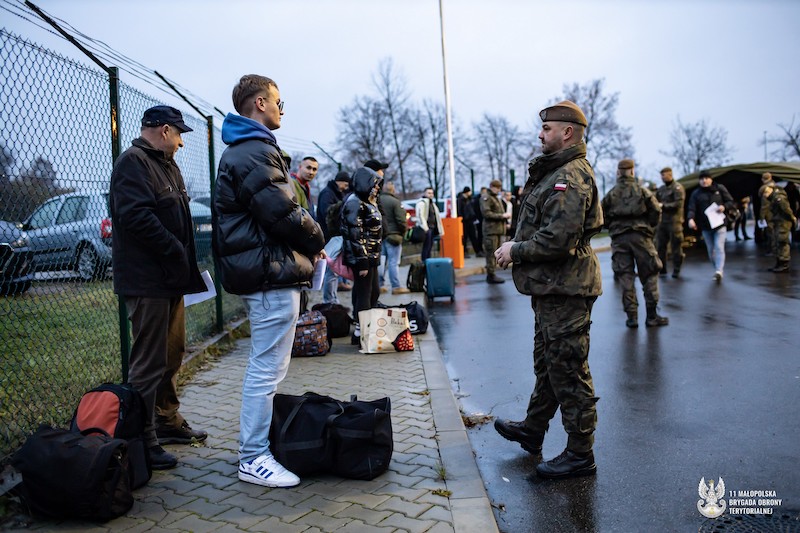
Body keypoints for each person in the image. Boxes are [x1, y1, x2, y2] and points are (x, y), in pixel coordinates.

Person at [212, 74, 325, 488]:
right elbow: (280, 211)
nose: (281, 108)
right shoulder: (253, 152)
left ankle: (255, 449)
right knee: (265, 370)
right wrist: (316, 237)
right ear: (259, 103)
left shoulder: (250, 149)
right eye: (278, 101)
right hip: (267, 272)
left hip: (268, 268)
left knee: (269, 368)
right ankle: (253, 456)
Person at [493, 100, 602, 480]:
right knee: (549, 366)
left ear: (567, 132)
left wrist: (515, 250)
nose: (540, 135)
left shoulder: (570, 177)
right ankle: (533, 429)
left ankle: (580, 454)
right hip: (553, 288)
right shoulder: (556, 172)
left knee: (569, 371)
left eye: (547, 129)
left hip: (567, 289)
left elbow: (559, 239)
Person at [109, 105, 208, 470]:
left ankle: (166, 421)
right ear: (164, 130)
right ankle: (142, 438)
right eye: (179, 134)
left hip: (170, 279)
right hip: (147, 280)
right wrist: (173, 248)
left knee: (173, 351)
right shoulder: (133, 162)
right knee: (149, 361)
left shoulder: (166, 164)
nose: (182, 142)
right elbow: (135, 216)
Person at [601, 159, 668, 328]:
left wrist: (613, 227)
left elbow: (601, 216)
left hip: (619, 239)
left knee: (625, 277)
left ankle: (632, 317)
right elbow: (656, 210)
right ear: (632, 171)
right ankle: (652, 316)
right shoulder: (642, 191)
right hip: (641, 237)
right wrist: (649, 227)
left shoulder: (611, 194)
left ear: (618, 173)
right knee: (650, 274)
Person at [341, 167, 384, 345]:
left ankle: (362, 331)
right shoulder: (355, 203)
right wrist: (362, 262)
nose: (377, 188)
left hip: (370, 256)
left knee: (372, 292)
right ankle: (361, 332)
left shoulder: (366, 201)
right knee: (364, 294)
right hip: (363, 257)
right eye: (375, 184)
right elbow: (355, 235)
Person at [686, 170, 735, 282]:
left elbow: (730, 201)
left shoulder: (719, 189)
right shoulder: (696, 193)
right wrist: (691, 219)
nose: (704, 181)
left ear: (711, 179)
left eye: (706, 178)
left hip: (720, 224)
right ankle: (717, 268)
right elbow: (692, 208)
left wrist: (724, 206)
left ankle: (719, 271)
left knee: (719, 246)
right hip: (706, 226)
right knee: (710, 250)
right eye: (702, 179)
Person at [317, 171, 351, 304]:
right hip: (329, 237)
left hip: (333, 237)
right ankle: (329, 301)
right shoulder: (328, 193)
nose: (346, 187)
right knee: (331, 271)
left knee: (333, 271)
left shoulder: (335, 193)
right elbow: (328, 214)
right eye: (345, 184)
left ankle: (332, 299)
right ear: (340, 181)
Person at [378, 180, 410, 294]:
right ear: (393, 190)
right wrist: (404, 231)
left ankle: (380, 285)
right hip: (393, 235)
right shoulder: (395, 202)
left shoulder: (377, 201)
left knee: (381, 261)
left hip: (380, 235)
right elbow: (401, 220)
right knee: (393, 262)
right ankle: (396, 286)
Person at [654, 166, 686, 278]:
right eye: (661, 175)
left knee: (676, 247)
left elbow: (678, 204)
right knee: (660, 247)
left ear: (670, 175)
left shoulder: (677, 188)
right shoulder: (661, 189)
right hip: (662, 222)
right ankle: (662, 269)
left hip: (674, 222)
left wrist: (663, 205)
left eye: (664, 175)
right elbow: (655, 201)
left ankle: (676, 269)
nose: (662, 177)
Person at [760, 183, 795, 272]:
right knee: (777, 242)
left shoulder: (778, 197)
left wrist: (792, 218)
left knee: (782, 242)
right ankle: (779, 262)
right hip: (778, 222)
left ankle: (784, 264)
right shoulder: (774, 197)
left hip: (783, 223)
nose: (765, 196)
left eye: (764, 194)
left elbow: (786, 209)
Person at [480, 179, 509, 284]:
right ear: (492, 186)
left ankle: (492, 273)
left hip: (496, 230)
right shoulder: (486, 197)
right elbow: (486, 213)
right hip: (490, 230)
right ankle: (490, 275)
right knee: (491, 253)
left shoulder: (495, 197)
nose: (499, 190)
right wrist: (502, 216)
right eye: (497, 188)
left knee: (494, 252)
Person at [415, 187, 444, 261]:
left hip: (432, 228)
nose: (431, 195)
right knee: (426, 247)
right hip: (427, 229)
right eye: (429, 193)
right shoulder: (422, 203)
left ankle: (428, 263)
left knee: (429, 247)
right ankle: (425, 263)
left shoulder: (432, 204)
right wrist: (425, 228)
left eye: (432, 193)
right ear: (425, 193)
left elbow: (437, 217)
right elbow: (420, 216)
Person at [457, 187, 481, 256]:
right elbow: (460, 211)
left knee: (473, 236)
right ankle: (464, 252)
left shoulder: (469, 199)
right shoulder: (461, 200)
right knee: (465, 237)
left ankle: (477, 251)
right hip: (464, 221)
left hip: (470, 220)